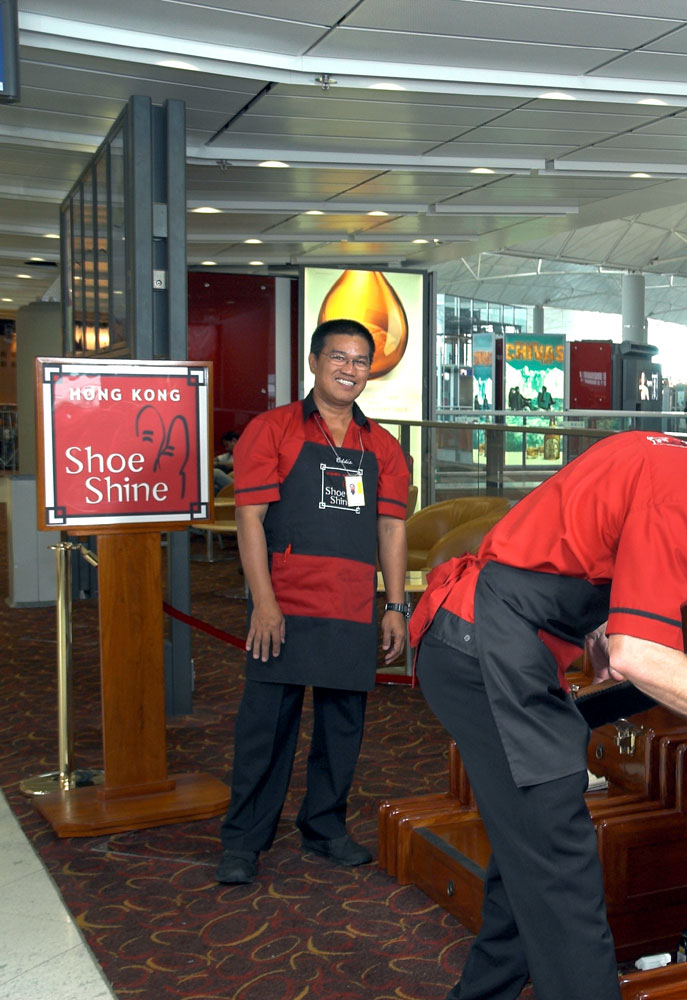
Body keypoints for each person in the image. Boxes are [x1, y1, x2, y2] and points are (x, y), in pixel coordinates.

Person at [408, 416, 687, 1000]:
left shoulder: (669, 456)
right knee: (562, 864)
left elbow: (560, 535)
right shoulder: (684, 499)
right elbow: (640, 657)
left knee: (533, 845)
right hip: (480, 648)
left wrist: (595, 625)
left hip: (483, 635)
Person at [214, 318, 412, 885]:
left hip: (351, 605)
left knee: (342, 729)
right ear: (314, 362)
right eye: (339, 358)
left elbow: (392, 530)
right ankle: (244, 839)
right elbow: (249, 519)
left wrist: (395, 606)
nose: (350, 369)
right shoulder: (272, 430)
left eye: (360, 361)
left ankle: (324, 826)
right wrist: (264, 604)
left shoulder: (384, 448)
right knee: (265, 729)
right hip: (285, 603)